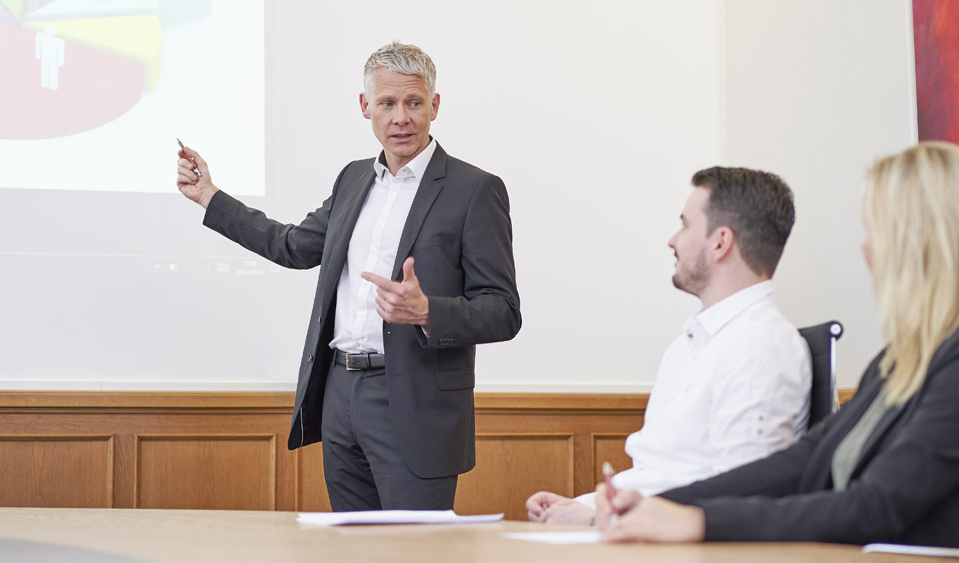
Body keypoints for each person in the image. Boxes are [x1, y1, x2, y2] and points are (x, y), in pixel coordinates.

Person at [175, 41, 520, 511]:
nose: (401, 117)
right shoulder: (353, 179)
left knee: (413, 553)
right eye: (387, 103)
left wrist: (427, 311)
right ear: (366, 107)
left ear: (434, 106)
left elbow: (503, 311)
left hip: (414, 404)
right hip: (341, 395)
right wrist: (209, 196)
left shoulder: (474, 190)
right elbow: (293, 246)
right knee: (352, 550)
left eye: (414, 102)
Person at [596, 141, 959, 547]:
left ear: (921, 241)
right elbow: (803, 460)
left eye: (874, 229)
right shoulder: (899, 361)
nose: (865, 247)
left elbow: (877, 506)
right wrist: (659, 506)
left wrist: (700, 522)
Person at [527, 167, 811, 525]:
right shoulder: (690, 344)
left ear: (721, 242)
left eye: (685, 224)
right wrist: (582, 506)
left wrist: (597, 520)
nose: (672, 240)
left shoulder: (760, 346)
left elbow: (740, 499)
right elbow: (659, 473)